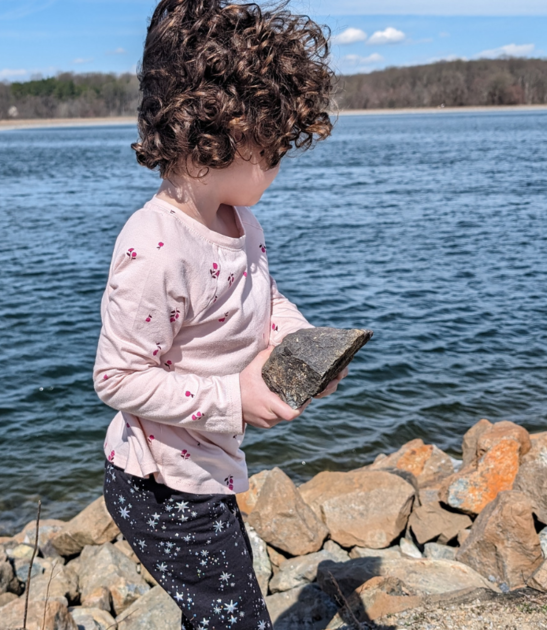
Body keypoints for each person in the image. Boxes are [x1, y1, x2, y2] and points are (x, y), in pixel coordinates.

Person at [94, 1, 341, 628]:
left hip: (206, 468)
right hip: (161, 487)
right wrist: (235, 399)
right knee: (236, 619)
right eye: (277, 148)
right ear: (220, 134)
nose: (283, 166)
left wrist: (300, 343)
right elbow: (117, 378)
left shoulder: (241, 223)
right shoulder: (155, 247)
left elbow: (265, 297)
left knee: (221, 608)